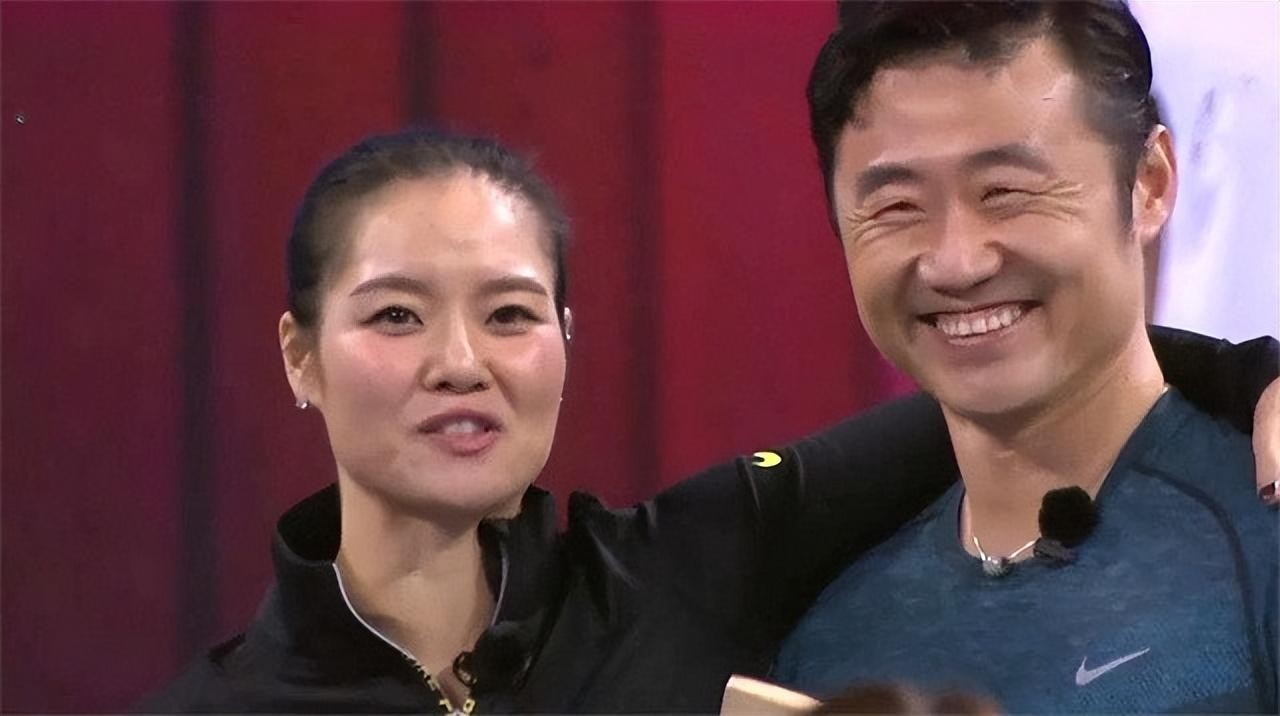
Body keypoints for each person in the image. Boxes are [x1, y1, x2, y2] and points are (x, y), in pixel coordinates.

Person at [140, 128, 1276, 714]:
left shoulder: (690, 567)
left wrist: (1257, 375)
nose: (461, 363)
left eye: (510, 314)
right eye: (396, 314)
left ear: (565, 341)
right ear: (300, 355)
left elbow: (1014, 373)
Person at [772, 2, 1277, 712]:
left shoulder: (1261, 540)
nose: (956, 262)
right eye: (897, 207)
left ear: (1149, 183)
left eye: (1005, 192)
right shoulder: (831, 641)